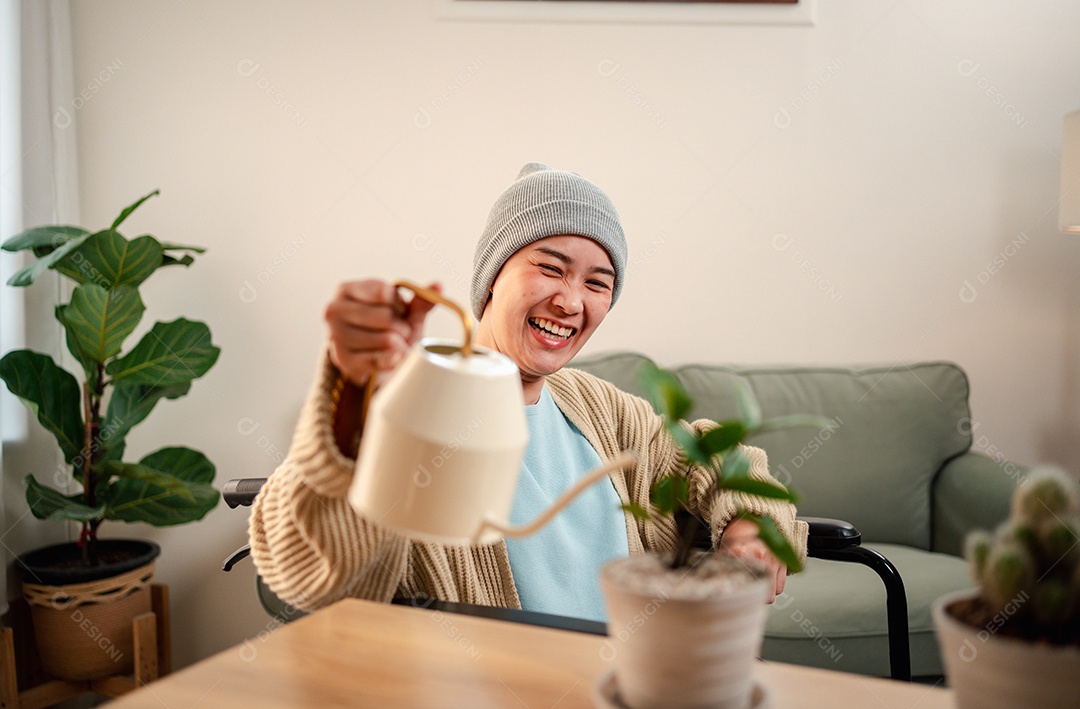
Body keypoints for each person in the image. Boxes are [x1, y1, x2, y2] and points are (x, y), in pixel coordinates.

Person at [249, 163, 808, 621]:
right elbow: (309, 575)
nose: (570, 302)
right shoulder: (411, 395)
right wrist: (353, 397)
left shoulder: (601, 410)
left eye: (597, 283)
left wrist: (749, 523)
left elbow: (713, 453)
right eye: (550, 268)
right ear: (494, 276)